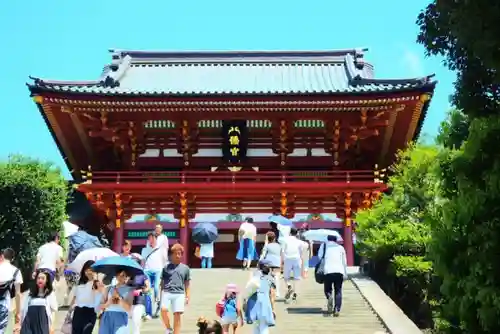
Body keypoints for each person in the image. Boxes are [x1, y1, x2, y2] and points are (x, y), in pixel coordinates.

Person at [160, 244, 191, 334]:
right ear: (172, 255)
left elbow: (187, 283)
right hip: (167, 291)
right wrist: (159, 295)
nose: (178, 255)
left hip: (179, 293)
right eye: (176, 253)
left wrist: (188, 296)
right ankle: (169, 328)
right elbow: (162, 282)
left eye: (179, 254)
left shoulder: (185, 268)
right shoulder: (166, 267)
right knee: (163, 310)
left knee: (177, 314)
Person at [318, 235, 348, 316]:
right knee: (338, 290)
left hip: (328, 270)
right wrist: (345, 273)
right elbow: (344, 261)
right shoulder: (340, 248)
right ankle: (337, 309)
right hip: (339, 271)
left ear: (328, 239)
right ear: (336, 240)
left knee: (327, 289)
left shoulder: (324, 246)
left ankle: (329, 296)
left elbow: (319, 257)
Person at [244, 260, 276, 334]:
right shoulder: (271, 279)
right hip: (265, 303)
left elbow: (248, 289)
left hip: (253, 302)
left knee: (256, 326)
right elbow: (272, 295)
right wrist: (273, 309)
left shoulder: (254, 275)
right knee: (264, 327)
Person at [69, 260, 100, 334]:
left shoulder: (97, 283)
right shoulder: (79, 283)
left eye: (91, 270)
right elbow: (74, 298)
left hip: (90, 312)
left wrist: (95, 280)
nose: (89, 272)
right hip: (78, 312)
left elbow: (98, 297)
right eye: (87, 269)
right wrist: (70, 311)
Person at [98, 269, 133, 334]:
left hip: (120, 317)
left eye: (123, 275)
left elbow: (129, 308)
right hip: (107, 317)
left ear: (127, 276)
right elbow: (100, 306)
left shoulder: (130, 290)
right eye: (119, 275)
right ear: (116, 276)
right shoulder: (108, 288)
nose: (121, 277)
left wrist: (119, 299)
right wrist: (109, 302)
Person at [141, 232, 168, 318]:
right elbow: (143, 262)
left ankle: (157, 305)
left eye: (153, 238)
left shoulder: (160, 250)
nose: (151, 240)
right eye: (149, 238)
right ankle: (148, 312)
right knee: (147, 291)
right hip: (147, 271)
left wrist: (165, 273)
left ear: (156, 239)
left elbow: (164, 262)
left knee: (156, 287)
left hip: (157, 271)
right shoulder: (144, 250)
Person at [0, 248, 22, 334]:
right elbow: (18, 294)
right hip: (5, 305)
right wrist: (18, 312)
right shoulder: (16, 271)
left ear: (2, 256)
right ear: (12, 259)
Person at [281, 228, 304, 302]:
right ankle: (295, 293)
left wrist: (282, 261)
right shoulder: (299, 242)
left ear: (290, 233)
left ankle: (289, 286)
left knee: (286, 276)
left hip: (287, 259)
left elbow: (283, 251)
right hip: (297, 259)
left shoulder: (285, 240)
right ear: (296, 233)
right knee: (297, 278)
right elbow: (301, 252)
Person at [128, 258, 150, 334]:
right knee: (127, 324)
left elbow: (148, 288)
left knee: (136, 322)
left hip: (139, 301)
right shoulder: (127, 275)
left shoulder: (143, 275)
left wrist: (140, 291)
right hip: (128, 302)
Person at [259, 232, 282, 298]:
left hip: (268, 263)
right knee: (277, 277)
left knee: (268, 277)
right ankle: (277, 292)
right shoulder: (279, 245)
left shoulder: (267, 246)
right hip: (277, 262)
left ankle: (268, 290)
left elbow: (263, 254)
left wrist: (260, 261)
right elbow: (281, 254)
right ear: (275, 238)